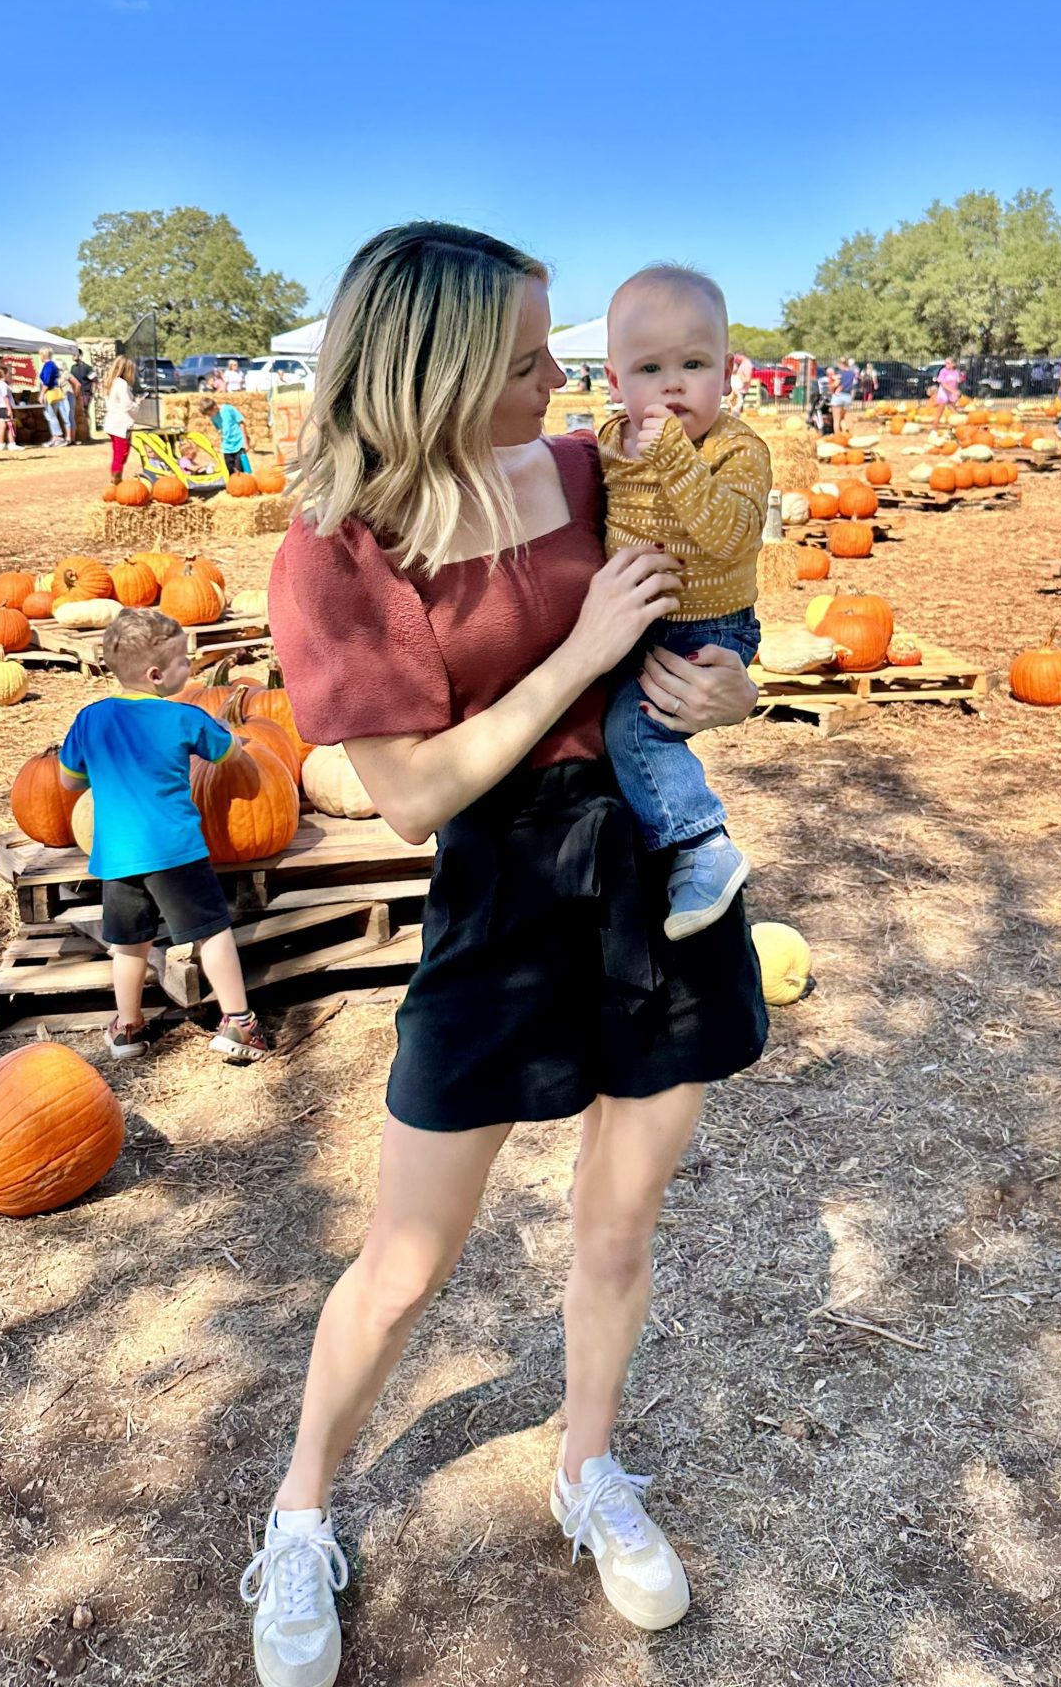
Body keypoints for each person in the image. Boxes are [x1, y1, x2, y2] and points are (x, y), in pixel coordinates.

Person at [255, 222, 765, 1687]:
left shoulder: (601, 469)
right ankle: (301, 1516)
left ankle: (585, 1466)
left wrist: (728, 690)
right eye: (529, 357)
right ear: (439, 370)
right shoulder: (340, 551)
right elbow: (412, 792)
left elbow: (723, 604)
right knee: (406, 1261)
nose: (564, 376)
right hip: (502, 886)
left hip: (657, 869)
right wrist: (583, 645)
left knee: (618, 1226)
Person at [598, 264, 768, 939]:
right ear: (614, 382)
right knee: (610, 721)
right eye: (649, 369)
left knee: (635, 727)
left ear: (727, 374)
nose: (672, 384)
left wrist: (673, 457)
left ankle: (702, 844)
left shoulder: (738, 450)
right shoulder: (608, 443)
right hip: (638, 623)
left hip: (707, 627)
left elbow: (727, 536)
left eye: (694, 363)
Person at [56, 609, 272, 1065]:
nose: (190, 669)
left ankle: (127, 1027)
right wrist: (246, 740)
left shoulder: (90, 719)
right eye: (183, 663)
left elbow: (70, 781)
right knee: (211, 934)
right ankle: (239, 1021)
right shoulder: (182, 718)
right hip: (175, 851)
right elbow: (230, 749)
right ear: (156, 675)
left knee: (129, 945)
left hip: (117, 856)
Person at [102, 356, 138, 485]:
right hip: (121, 424)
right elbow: (126, 404)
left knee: (118, 453)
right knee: (121, 454)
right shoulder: (121, 384)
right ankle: (116, 480)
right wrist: (137, 403)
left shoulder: (111, 382)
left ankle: (116, 478)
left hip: (112, 422)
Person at [209, 395, 249, 474]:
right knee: (230, 471)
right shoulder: (213, 417)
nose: (209, 416)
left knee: (240, 471)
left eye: (210, 414)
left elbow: (241, 423)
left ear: (214, 407)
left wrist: (246, 441)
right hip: (227, 448)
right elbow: (220, 430)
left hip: (239, 444)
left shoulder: (228, 409)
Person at [37, 345, 68, 445]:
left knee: (51, 415)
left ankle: (58, 436)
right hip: (53, 391)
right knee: (50, 415)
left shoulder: (48, 365)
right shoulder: (52, 365)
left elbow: (46, 382)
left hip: (50, 392)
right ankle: (55, 437)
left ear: (43, 355)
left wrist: (41, 394)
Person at [0, 358, 19, 452]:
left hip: (0, 408)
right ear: (5, 375)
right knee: (11, 425)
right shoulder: (3, 385)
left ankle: (1, 444)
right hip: (5, 407)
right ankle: (12, 443)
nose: (10, 376)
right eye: (9, 374)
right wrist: (9, 408)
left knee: (2, 426)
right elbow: (5, 397)